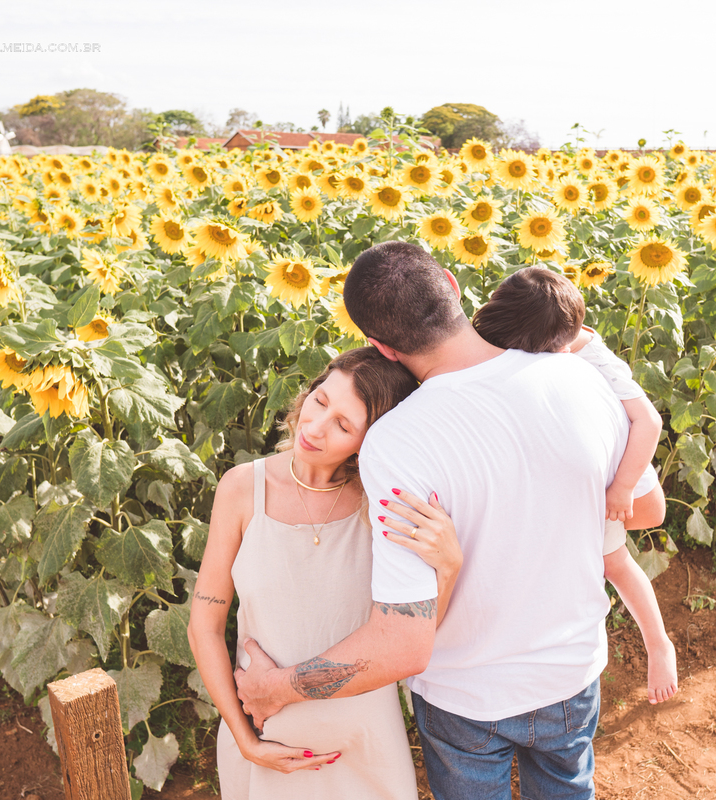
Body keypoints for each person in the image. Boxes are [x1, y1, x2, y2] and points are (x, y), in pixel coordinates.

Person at [235, 241, 668, 799]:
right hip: (569, 675)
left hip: (466, 699)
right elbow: (648, 511)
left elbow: (404, 643)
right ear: (451, 283)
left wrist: (278, 688)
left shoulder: (395, 441)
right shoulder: (580, 380)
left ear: (380, 347)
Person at [187, 346, 463, 800]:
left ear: (369, 440)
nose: (315, 428)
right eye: (320, 401)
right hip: (268, 755)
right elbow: (204, 625)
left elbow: (416, 638)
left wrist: (449, 567)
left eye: (344, 424)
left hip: (367, 751)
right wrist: (245, 741)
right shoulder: (241, 488)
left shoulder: (383, 506)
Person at [471, 265, 678, 706]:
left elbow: (649, 420)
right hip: (549, 471)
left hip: (607, 471)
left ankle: (658, 643)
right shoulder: (505, 332)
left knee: (615, 563)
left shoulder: (594, 357)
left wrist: (621, 489)